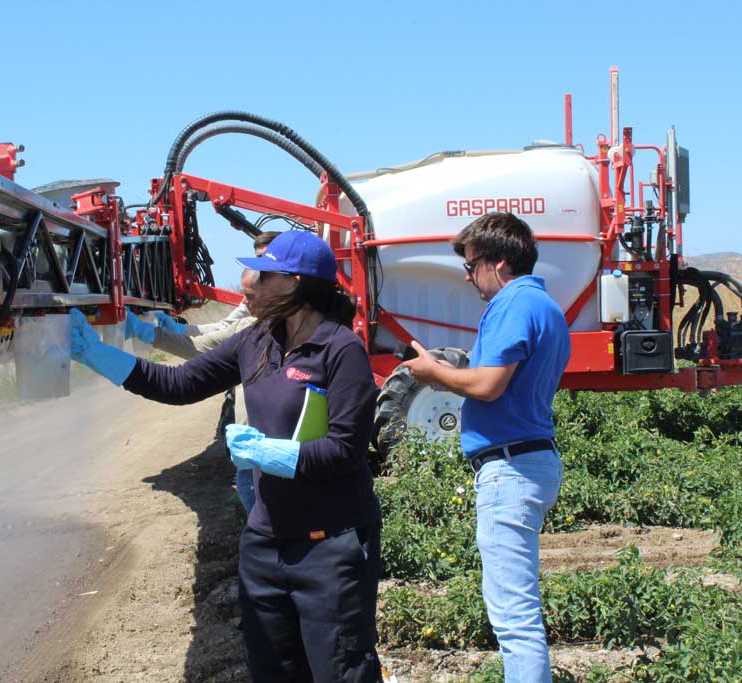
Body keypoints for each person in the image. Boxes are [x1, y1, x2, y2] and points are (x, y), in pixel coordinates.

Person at [68, 229, 384, 682]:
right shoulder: (255, 341)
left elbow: (345, 450)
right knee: (273, 671)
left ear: (294, 283)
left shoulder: (339, 349)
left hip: (330, 546)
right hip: (265, 543)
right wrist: (94, 354)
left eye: (261, 275)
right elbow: (177, 386)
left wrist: (269, 454)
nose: (246, 284)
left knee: (341, 671)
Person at [400, 212, 570, 683]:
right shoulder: (545, 306)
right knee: (518, 610)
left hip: (510, 467)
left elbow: (490, 384)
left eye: (471, 265)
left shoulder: (510, 304)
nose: (469, 277)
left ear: (497, 264)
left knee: (514, 619)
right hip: (531, 458)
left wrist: (435, 374)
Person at [122, 231, 280, 514]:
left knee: (266, 516)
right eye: (258, 261)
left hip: (269, 454)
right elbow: (217, 334)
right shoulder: (253, 319)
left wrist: (149, 335)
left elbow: (203, 350)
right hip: (256, 452)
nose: (261, 270)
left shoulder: (273, 331)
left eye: (267, 262)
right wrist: (170, 331)